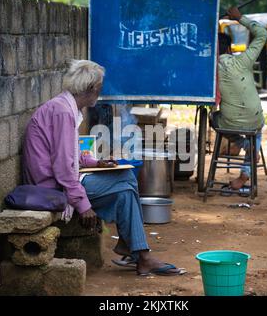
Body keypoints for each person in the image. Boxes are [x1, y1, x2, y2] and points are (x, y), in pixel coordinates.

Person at [22, 60, 185, 276]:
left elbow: (69, 153)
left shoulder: (65, 107)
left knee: (125, 191)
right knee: (126, 178)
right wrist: (82, 205)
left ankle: (140, 254)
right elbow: (63, 168)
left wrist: (95, 162)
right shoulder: (62, 112)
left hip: (59, 181)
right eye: (98, 87)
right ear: (90, 88)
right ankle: (138, 253)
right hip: (50, 188)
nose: (100, 91)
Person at [216, 7, 267, 190]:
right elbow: (261, 34)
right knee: (257, 129)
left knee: (215, 120)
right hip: (254, 118)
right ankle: (245, 172)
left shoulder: (209, 72)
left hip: (229, 121)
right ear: (229, 49)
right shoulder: (243, 60)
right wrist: (239, 18)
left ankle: (246, 144)